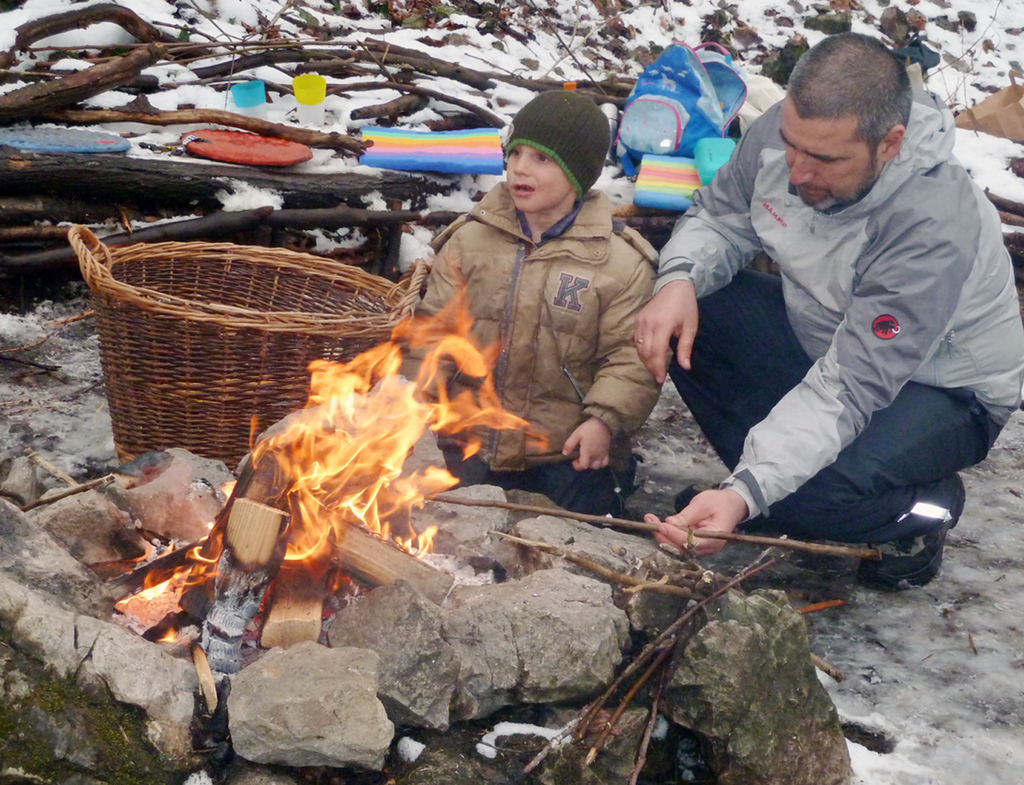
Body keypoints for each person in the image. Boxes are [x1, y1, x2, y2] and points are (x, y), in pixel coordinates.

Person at [634, 32, 1024, 589]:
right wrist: (678, 279)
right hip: (821, 332)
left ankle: (921, 510)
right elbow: (721, 218)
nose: (796, 172)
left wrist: (745, 493)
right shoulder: (791, 130)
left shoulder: (930, 226)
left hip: (942, 387)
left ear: (889, 144)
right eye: (792, 146)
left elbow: (851, 385)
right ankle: (763, 487)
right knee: (686, 310)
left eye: (823, 160)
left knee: (810, 495)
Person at [406, 90, 660, 516]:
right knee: (434, 523)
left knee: (578, 531)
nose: (520, 168)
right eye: (515, 153)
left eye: (542, 159)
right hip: (469, 440)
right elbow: (433, 333)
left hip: (564, 451)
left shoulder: (619, 262)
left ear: (578, 173)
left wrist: (603, 421)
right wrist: (414, 400)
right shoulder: (470, 240)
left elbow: (631, 358)